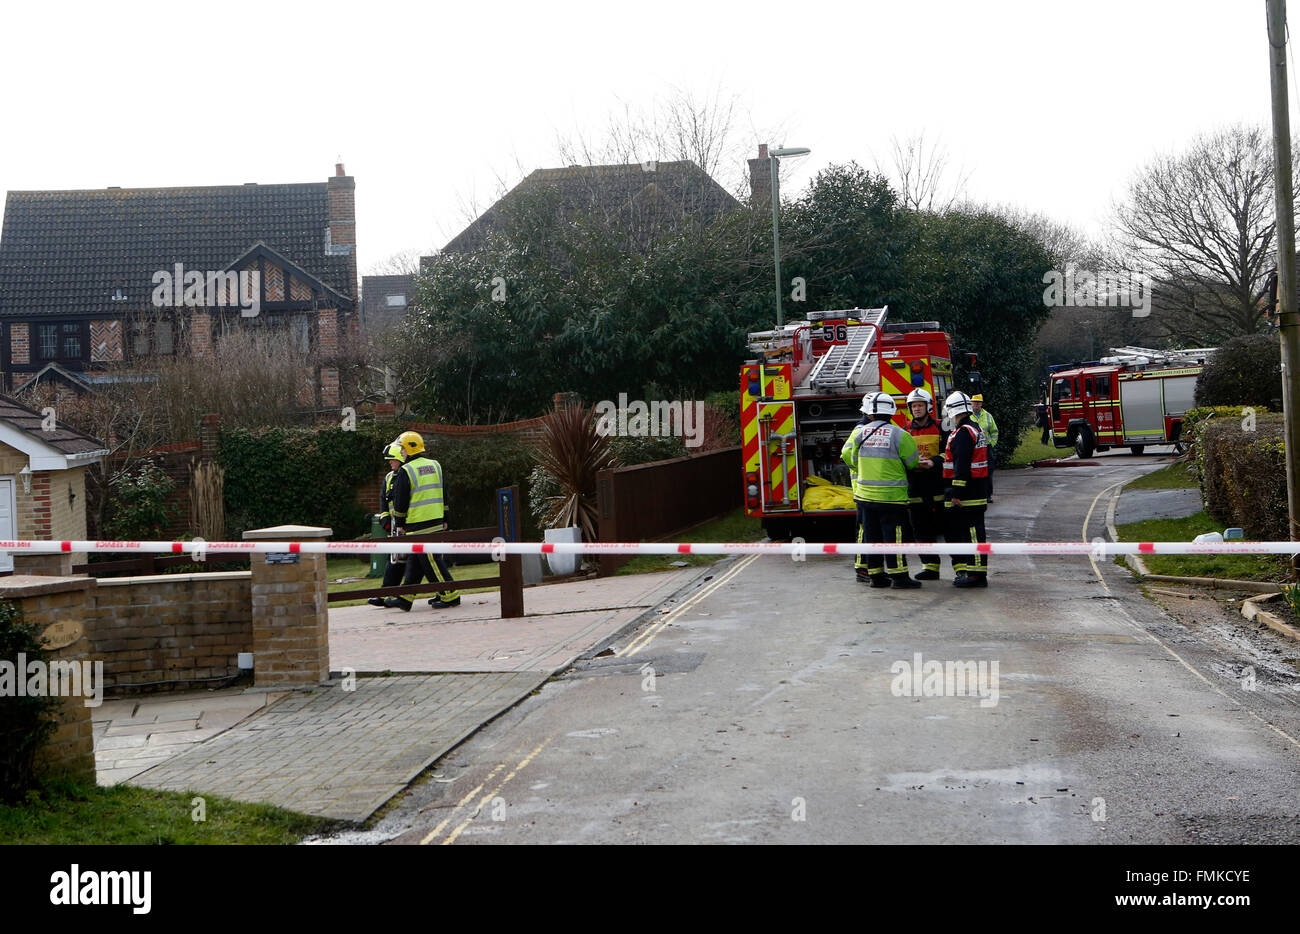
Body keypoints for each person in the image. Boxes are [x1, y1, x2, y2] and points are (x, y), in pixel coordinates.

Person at [841, 391, 922, 589]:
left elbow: (848, 457)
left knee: (872, 537)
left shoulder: (860, 433)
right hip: (891, 497)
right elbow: (912, 463)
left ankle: (876, 577)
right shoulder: (900, 435)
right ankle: (899, 577)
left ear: (870, 412)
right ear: (892, 412)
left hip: (865, 497)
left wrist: (863, 468)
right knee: (894, 537)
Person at [386, 430, 462, 611]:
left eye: (402, 449)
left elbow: (401, 501)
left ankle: (451, 595)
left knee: (430, 561)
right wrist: (445, 518)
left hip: (418, 523)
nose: (401, 452)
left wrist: (400, 523)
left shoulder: (406, 470)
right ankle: (405, 598)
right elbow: (443, 493)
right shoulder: (436, 465)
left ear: (409, 449)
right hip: (436, 520)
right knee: (416, 561)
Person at [942, 391, 990, 588]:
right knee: (973, 532)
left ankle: (976, 576)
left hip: (968, 494)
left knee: (972, 534)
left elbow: (961, 465)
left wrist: (956, 492)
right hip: (977, 490)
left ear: (952, 411)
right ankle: (973, 572)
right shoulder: (974, 428)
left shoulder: (963, 433)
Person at [905, 388, 948, 580]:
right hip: (915, 485)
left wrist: (933, 462)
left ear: (928, 406)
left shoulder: (940, 427)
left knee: (948, 529)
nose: (916, 409)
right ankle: (930, 567)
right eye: (914, 406)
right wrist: (912, 463)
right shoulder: (905, 430)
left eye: (920, 405)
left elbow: (949, 453)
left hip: (937, 483)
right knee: (920, 529)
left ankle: (961, 568)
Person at [368, 440, 408, 608]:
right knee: (394, 562)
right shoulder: (389, 477)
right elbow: (384, 502)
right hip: (395, 527)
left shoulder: (407, 474)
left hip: (409, 525)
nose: (390, 462)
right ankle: (385, 595)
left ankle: (444, 592)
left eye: (392, 459)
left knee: (416, 563)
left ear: (400, 458)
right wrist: (385, 521)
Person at [970, 394, 999, 502]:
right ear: (971, 403)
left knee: (988, 472)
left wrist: (992, 444)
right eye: (974, 402)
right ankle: (976, 494)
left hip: (986, 448)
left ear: (981, 404)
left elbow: (994, 431)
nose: (976, 404)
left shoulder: (988, 415)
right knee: (974, 471)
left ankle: (987, 495)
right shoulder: (968, 416)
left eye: (978, 402)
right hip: (973, 449)